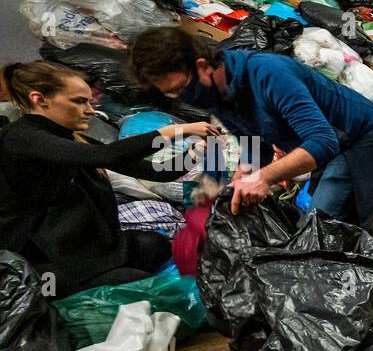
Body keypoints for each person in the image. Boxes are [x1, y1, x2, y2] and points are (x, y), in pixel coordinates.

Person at [129, 27, 373, 228]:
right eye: (170, 94)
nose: (181, 98)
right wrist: (240, 178)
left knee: (318, 229)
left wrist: (263, 178)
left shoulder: (269, 74)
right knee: (335, 226)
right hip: (333, 145)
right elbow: (253, 143)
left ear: (202, 67)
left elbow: (322, 141)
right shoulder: (217, 93)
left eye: (180, 89)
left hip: (363, 142)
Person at [0, 61, 218, 294]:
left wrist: (202, 148)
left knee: (156, 246)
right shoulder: (21, 138)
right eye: (79, 101)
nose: (90, 110)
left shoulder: (70, 140)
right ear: (39, 99)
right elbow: (109, 155)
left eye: (89, 101)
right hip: (46, 254)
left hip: (87, 245)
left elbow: (158, 171)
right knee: (139, 285)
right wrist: (174, 131)